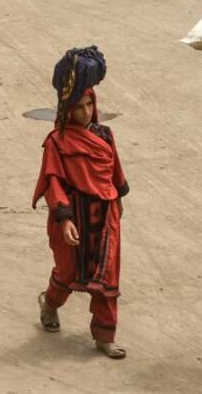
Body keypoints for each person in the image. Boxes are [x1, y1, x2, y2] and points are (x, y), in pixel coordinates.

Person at [32, 46, 129, 359]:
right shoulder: (56, 142)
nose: (85, 112)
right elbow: (52, 182)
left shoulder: (105, 135)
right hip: (74, 215)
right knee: (68, 271)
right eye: (78, 107)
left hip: (106, 215)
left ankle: (104, 336)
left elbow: (114, 172)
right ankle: (50, 302)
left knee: (107, 275)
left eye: (89, 105)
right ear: (66, 110)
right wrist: (65, 219)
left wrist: (119, 201)